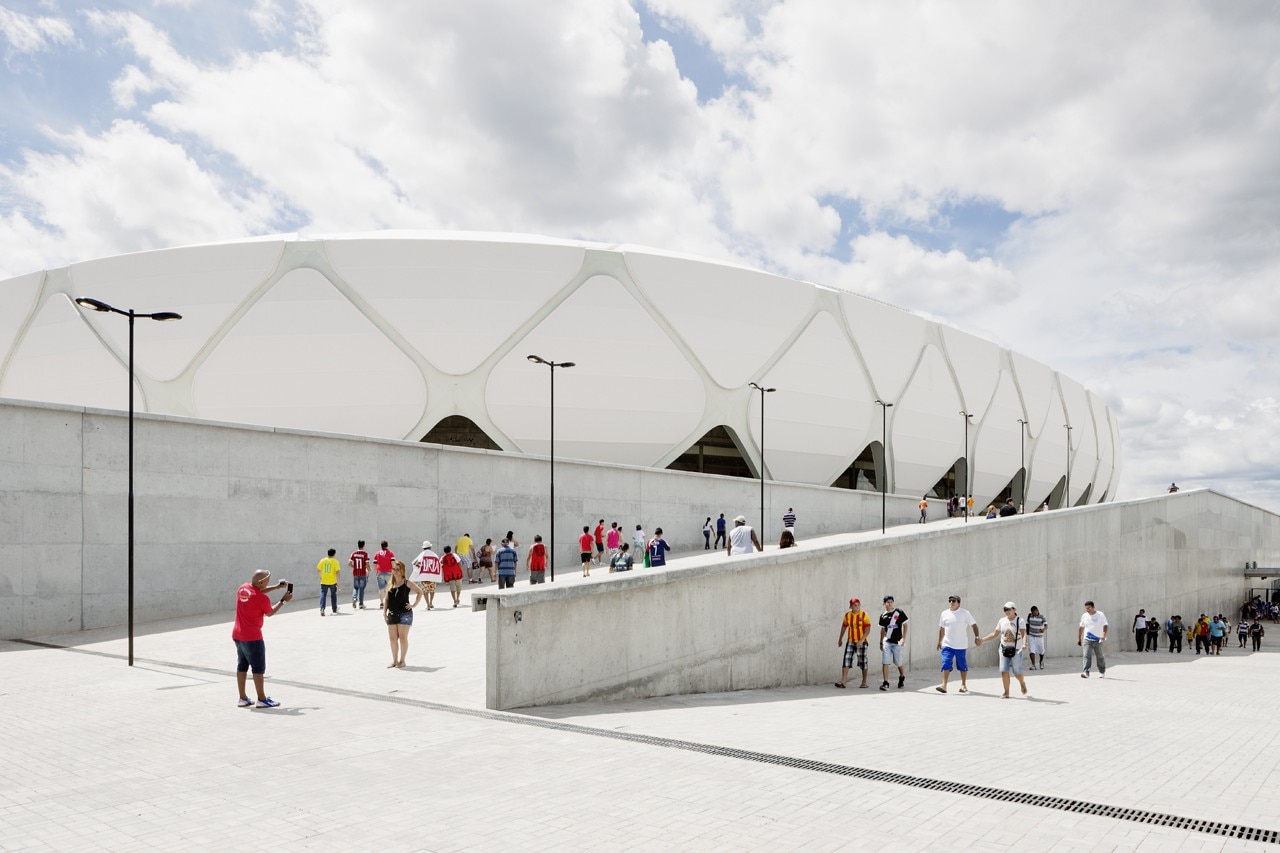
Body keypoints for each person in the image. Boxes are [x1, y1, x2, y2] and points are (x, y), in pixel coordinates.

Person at [232, 569, 292, 708]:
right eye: (267, 580)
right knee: (258, 669)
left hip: (238, 635)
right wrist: (283, 600)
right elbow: (270, 613)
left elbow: (257, 592)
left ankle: (243, 698)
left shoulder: (243, 588)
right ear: (261, 581)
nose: (269, 582)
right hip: (253, 638)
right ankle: (262, 699)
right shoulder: (261, 599)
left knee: (242, 666)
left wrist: (276, 587)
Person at [979, 602, 1029, 698]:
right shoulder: (1002, 621)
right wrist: (983, 640)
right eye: (1005, 610)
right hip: (1003, 649)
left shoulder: (1020, 620)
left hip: (1016, 650)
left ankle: (1022, 683)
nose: (1007, 611)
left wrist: (1024, 643)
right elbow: (995, 634)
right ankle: (1006, 692)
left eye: (1009, 609)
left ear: (1014, 610)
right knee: (1003, 671)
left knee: (1017, 672)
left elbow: (1024, 634)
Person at [384, 560, 426, 668]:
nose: (395, 571)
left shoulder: (407, 583)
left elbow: (420, 592)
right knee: (392, 639)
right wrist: (384, 612)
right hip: (392, 614)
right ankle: (394, 661)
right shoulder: (391, 584)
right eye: (394, 569)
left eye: (398, 569)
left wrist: (414, 605)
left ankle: (402, 661)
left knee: (402, 637)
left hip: (405, 614)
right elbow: (387, 599)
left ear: (402, 571)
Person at [936, 595, 979, 693]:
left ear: (958, 603)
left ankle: (963, 685)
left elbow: (974, 625)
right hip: (947, 644)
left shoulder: (965, 613)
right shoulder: (944, 613)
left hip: (961, 645)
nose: (951, 602)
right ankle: (944, 686)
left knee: (962, 665)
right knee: (945, 663)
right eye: (949, 601)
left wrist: (976, 637)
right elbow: (941, 629)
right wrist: (939, 641)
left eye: (953, 601)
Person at [835, 598, 872, 689]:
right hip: (851, 641)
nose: (857, 606)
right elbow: (844, 627)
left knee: (863, 662)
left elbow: (868, 629)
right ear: (851, 606)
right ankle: (843, 682)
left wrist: (862, 640)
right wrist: (840, 639)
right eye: (855, 605)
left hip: (862, 642)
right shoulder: (847, 615)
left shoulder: (864, 615)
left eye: (858, 604)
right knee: (846, 660)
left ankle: (864, 682)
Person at [878, 596, 909, 690]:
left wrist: (903, 638)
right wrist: (880, 642)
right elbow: (882, 630)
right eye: (888, 602)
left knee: (898, 662)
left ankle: (902, 676)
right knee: (885, 662)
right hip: (887, 641)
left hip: (897, 642)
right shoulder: (883, 615)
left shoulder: (899, 612)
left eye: (891, 602)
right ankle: (886, 683)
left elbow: (905, 626)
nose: (890, 603)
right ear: (884, 603)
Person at [1077, 600, 1108, 678]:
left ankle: (1102, 671)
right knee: (1086, 655)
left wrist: (1103, 635)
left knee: (1100, 656)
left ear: (1093, 607)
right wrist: (1079, 638)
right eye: (1086, 608)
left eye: (1089, 608)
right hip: (1087, 639)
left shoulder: (1100, 614)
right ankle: (1086, 672)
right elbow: (1081, 627)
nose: (1087, 610)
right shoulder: (1084, 616)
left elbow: (1105, 625)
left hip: (1098, 639)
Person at [410, 540, 441, 610]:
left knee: (425, 591)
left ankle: (427, 604)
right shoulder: (434, 555)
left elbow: (414, 563)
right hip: (432, 576)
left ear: (423, 548)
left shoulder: (421, 555)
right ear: (430, 547)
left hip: (423, 576)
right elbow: (438, 564)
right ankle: (431, 602)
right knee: (432, 590)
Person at [317, 547, 341, 616]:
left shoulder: (323, 560)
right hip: (333, 581)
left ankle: (322, 608)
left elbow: (318, 569)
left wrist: (321, 577)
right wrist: (338, 582)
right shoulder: (335, 561)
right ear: (334, 554)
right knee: (333, 595)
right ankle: (334, 609)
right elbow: (337, 572)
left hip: (324, 581)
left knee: (323, 594)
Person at [373, 540, 395, 608]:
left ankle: (381, 603)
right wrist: (394, 571)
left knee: (381, 589)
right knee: (389, 588)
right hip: (389, 572)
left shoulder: (377, 553)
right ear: (387, 545)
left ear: (381, 546)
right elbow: (393, 563)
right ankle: (389, 602)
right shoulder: (391, 553)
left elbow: (374, 564)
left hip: (380, 572)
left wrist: (376, 572)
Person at [349, 540, 370, 610]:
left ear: (358, 545)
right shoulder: (365, 554)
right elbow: (367, 564)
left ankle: (354, 598)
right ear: (363, 545)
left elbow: (349, 563)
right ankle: (361, 604)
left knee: (355, 588)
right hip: (363, 573)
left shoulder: (353, 553)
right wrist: (369, 569)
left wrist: (354, 567)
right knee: (362, 589)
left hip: (355, 573)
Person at [1025, 605, 1048, 669]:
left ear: (1037, 611)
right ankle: (1033, 665)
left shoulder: (1042, 616)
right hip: (1031, 636)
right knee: (1031, 650)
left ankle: (1041, 661)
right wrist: (1027, 632)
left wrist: (1043, 629)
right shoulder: (1029, 616)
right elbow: (1027, 623)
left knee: (1041, 650)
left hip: (1039, 637)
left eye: (1035, 613)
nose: (1034, 614)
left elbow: (1046, 625)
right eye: (1032, 613)